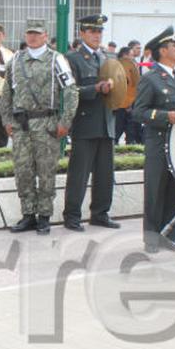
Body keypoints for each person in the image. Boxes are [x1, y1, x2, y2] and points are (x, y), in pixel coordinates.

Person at [0, 19, 78, 235]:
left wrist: (65, 122)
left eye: (37, 33)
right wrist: (6, 120)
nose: (32, 37)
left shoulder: (56, 59)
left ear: (45, 36)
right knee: (23, 171)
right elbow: (6, 93)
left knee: (45, 171)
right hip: (21, 124)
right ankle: (28, 215)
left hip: (46, 124)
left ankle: (44, 216)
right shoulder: (15, 60)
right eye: (29, 33)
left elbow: (71, 91)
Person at [131, 26, 175, 253]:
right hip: (158, 142)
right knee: (155, 191)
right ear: (163, 51)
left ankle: (168, 235)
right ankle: (152, 239)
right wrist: (165, 116)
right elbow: (138, 112)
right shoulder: (151, 78)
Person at [63, 14, 119, 232]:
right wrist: (94, 89)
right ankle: (72, 216)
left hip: (107, 123)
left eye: (99, 31)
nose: (97, 35)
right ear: (82, 33)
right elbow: (69, 91)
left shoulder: (107, 58)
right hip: (85, 124)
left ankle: (100, 214)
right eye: (92, 31)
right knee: (79, 174)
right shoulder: (72, 58)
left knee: (105, 174)